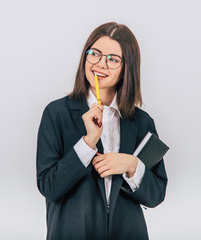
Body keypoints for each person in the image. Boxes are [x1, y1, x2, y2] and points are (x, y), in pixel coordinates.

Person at [36, 22, 167, 240]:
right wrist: (88, 143)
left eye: (113, 59)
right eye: (95, 53)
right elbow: (49, 187)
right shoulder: (56, 113)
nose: (100, 64)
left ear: (127, 68)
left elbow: (156, 196)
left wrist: (132, 165)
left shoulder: (142, 122)